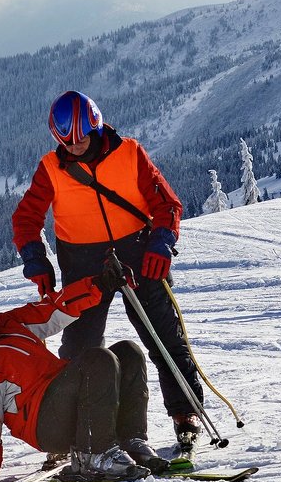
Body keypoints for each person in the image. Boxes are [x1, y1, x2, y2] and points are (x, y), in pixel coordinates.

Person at [12, 90, 206, 453]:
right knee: (80, 348)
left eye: (81, 138)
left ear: (96, 125)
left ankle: (186, 415)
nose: (75, 146)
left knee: (164, 337)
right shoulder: (52, 168)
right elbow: (26, 219)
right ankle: (70, 431)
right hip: (82, 262)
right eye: (66, 141)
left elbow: (167, 204)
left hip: (139, 252)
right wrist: (36, 261)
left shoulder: (130, 153)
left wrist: (161, 243)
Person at [0, 259, 173, 482]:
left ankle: (131, 440)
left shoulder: (5, 324)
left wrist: (98, 285)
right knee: (97, 360)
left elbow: (53, 308)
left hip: (63, 394)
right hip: (44, 425)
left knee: (128, 351)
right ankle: (92, 455)